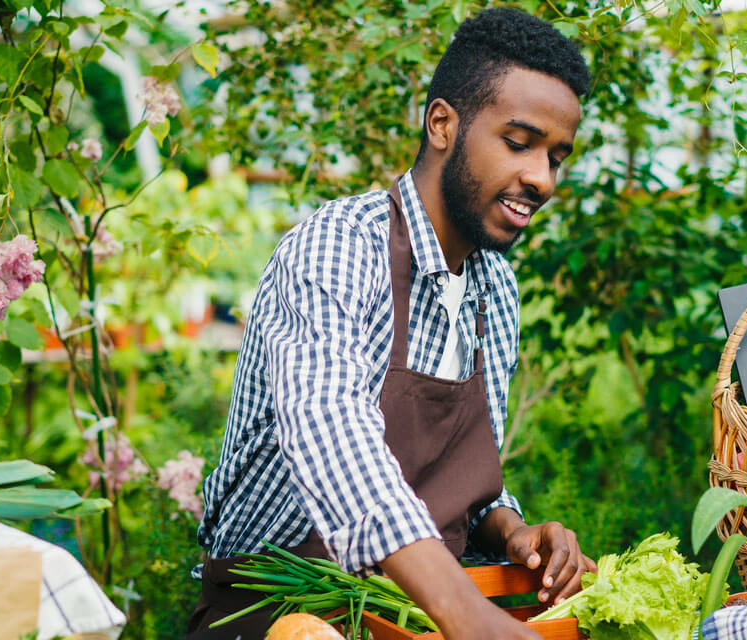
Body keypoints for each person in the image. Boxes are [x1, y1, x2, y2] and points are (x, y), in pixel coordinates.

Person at [187, 7, 592, 639]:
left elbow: (463, 487)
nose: (540, 178)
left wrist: (512, 529)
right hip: (279, 613)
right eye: (519, 143)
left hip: (413, 617)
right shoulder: (341, 248)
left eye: (557, 157)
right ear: (442, 124)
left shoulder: (496, 291)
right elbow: (334, 438)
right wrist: (467, 614)